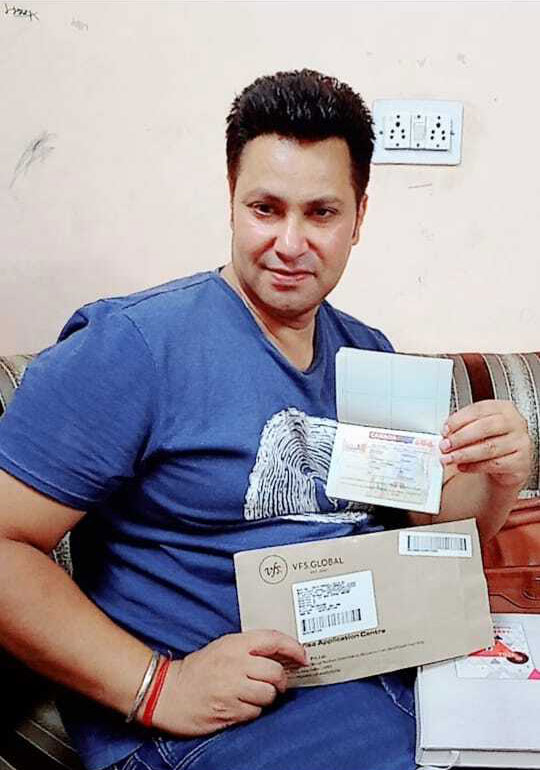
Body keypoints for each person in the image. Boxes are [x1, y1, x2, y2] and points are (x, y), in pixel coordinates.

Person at [0, 69, 532, 770]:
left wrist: (500, 477)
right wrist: (159, 686)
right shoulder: (134, 347)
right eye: (266, 208)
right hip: (217, 728)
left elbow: (435, 537)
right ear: (231, 199)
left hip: (385, 679)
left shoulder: (368, 352)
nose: (290, 242)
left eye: (321, 213)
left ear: (359, 217)